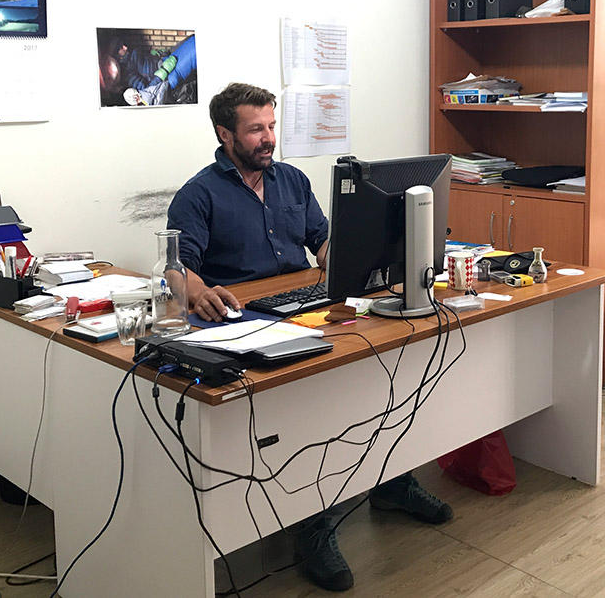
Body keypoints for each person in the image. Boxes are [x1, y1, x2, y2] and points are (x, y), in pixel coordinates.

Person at [166, 83, 453, 592]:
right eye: (256, 129)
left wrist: (353, 261)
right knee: (305, 412)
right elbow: (176, 267)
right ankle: (312, 528)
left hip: (307, 306)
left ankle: (391, 482)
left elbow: (322, 242)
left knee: (379, 371)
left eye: (272, 126)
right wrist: (196, 288)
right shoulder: (198, 194)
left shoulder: (292, 181)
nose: (268, 138)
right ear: (224, 133)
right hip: (246, 321)